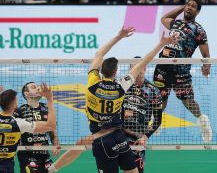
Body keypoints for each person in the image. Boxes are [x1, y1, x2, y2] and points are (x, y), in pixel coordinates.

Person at [47, 27, 178, 173]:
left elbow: (99, 54)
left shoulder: (92, 83)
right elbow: (143, 63)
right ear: (116, 72)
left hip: (102, 137)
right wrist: (161, 44)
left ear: (100, 71)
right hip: (118, 135)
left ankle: (52, 169)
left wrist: (118, 36)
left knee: (80, 145)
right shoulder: (121, 87)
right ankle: (52, 169)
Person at [153, 0, 213, 143]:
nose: (189, 8)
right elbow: (164, 18)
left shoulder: (199, 30)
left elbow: (206, 54)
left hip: (181, 71)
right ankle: (157, 122)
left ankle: (203, 121)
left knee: (188, 102)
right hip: (162, 68)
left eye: (193, 6)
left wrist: (207, 67)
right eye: (188, 5)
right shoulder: (176, 23)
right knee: (161, 99)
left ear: (197, 11)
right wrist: (181, 7)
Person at [0, 84, 56, 173]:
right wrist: (50, 99)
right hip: (6, 168)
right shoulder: (19, 124)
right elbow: (51, 126)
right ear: (14, 105)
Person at [123, 57, 163, 173]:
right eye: (133, 67)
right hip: (118, 134)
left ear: (144, 68)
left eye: (139, 67)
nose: (136, 70)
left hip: (137, 138)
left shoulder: (153, 91)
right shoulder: (122, 86)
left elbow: (157, 120)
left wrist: (145, 136)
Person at [14, 82, 61, 173]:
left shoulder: (46, 108)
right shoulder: (20, 111)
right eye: (33, 87)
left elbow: (52, 129)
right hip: (27, 155)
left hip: (45, 155)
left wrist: (55, 143)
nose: (38, 89)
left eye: (38, 87)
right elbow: (14, 133)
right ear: (26, 93)